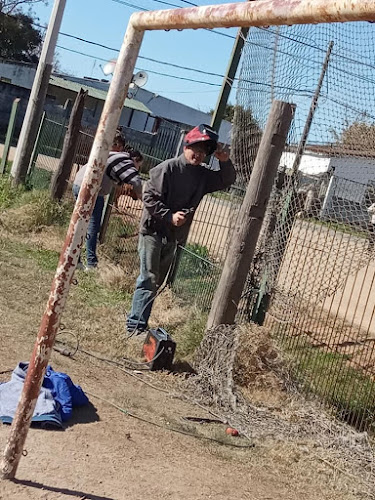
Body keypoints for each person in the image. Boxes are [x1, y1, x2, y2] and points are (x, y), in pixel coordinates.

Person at [126, 123, 236, 336]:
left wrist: (225, 162)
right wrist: (169, 215)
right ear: (186, 146)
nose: (199, 154)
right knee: (148, 277)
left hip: (173, 235)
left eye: (204, 152)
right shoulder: (166, 169)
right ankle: (135, 325)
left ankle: (140, 321)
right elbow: (148, 197)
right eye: (196, 148)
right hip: (153, 230)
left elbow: (226, 180)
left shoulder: (202, 176)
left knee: (156, 281)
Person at [73, 130, 143, 270]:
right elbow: (135, 181)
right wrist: (145, 200)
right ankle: (92, 263)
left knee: (80, 223)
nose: (137, 169)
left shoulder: (110, 155)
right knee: (93, 227)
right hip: (93, 191)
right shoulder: (125, 160)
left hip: (78, 184)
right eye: (139, 166)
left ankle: (75, 258)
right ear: (135, 160)